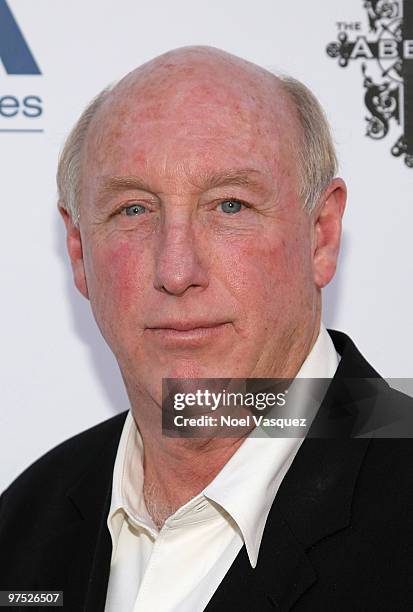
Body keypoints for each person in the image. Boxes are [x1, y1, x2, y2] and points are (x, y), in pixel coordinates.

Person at [1, 46, 412, 612]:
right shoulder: (22, 526)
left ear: (321, 234)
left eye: (230, 206)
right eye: (134, 210)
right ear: (78, 251)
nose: (176, 271)